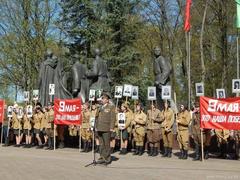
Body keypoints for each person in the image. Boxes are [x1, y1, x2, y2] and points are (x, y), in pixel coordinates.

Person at [95, 92, 116, 165]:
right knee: (101, 144)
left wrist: (111, 127)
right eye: (102, 98)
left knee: (106, 144)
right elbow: (97, 117)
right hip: (99, 128)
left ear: (107, 100)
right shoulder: (100, 107)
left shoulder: (111, 107)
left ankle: (107, 159)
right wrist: (96, 126)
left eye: (103, 99)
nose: (102, 100)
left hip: (107, 128)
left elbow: (113, 118)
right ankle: (102, 157)